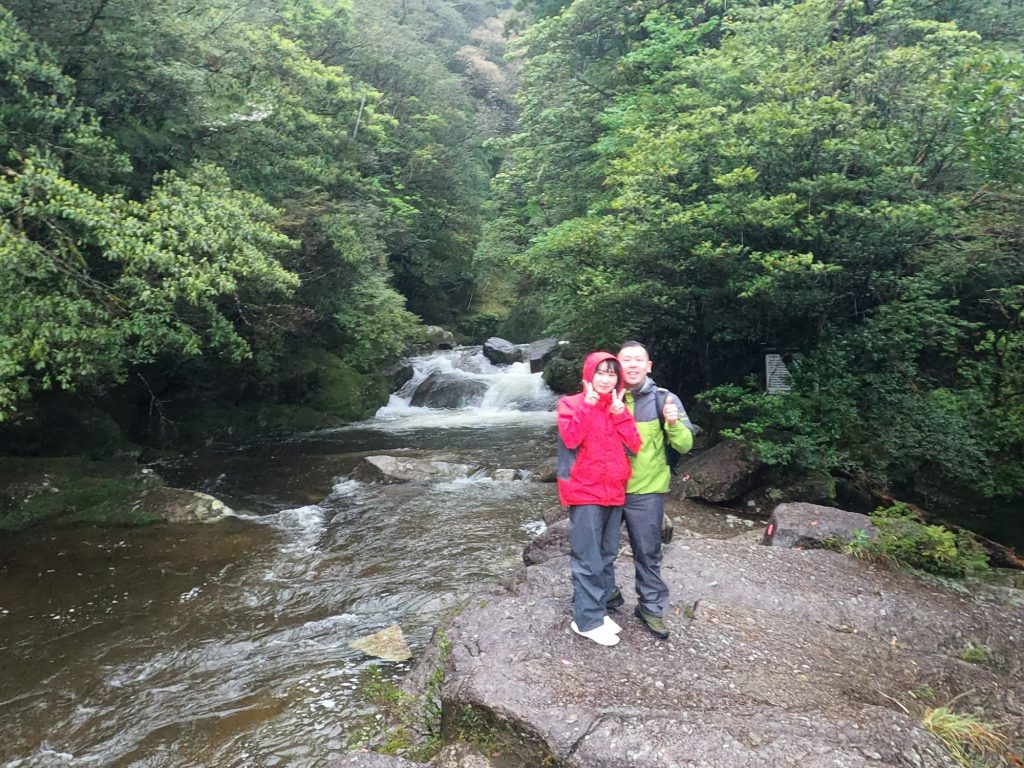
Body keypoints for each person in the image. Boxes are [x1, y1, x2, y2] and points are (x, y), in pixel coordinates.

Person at [557, 352, 642, 647]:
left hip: (614, 491)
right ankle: (586, 621)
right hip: (585, 491)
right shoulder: (571, 404)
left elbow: (634, 444)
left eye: (611, 375)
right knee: (588, 558)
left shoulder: (618, 407)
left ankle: (597, 609)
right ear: (588, 376)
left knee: (606, 556)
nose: (606, 380)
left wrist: (620, 414)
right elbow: (570, 439)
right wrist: (590, 405)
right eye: (600, 373)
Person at [613, 341, 694, 639]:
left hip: (647, 490)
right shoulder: (606, 397)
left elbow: (685, 444)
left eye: (638, 360)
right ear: (616, 365)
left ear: (649, 366)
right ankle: (606, 594)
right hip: (608, 489)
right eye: (626, 360)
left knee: (647, 552)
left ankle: (650, 607)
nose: (632, 365)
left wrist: (672, 423)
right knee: (600, 548)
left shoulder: (665, 399)